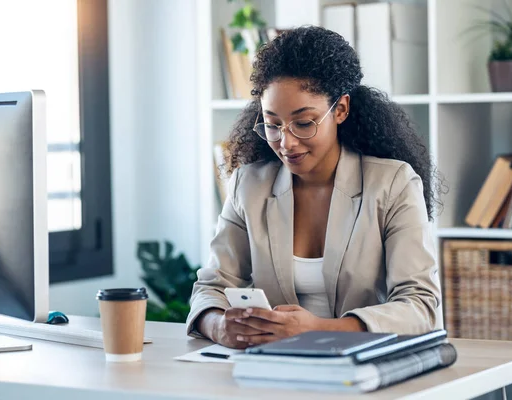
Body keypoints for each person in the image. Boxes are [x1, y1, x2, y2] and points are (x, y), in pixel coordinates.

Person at [186, 26, 443, 349]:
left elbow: (420, 306)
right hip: (273, 371)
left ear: (341, 109)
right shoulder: (248, 185)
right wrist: (219, 326)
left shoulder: (392, 184)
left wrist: (319, 329)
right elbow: (212, 287)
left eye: (304, 123)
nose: (286, 142)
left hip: (367, 370)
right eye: (272, 124)